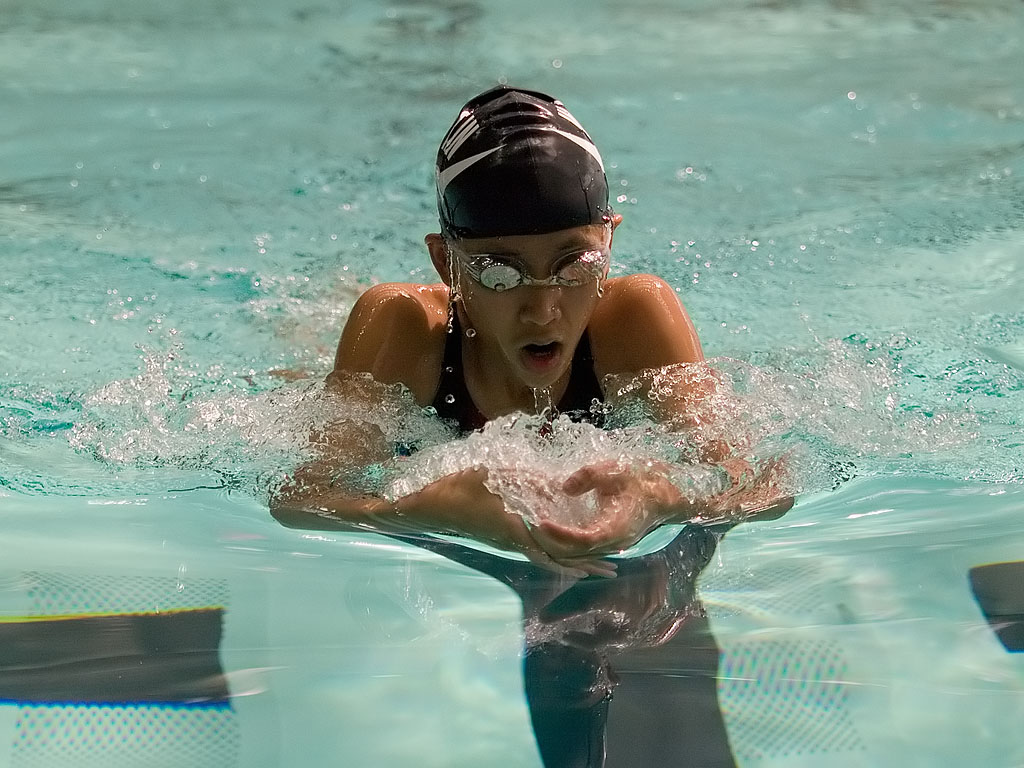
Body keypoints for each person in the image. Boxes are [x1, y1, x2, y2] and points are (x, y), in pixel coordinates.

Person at [271, 85, 790, 577]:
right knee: (306, 354)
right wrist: (428, 508)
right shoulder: (407, 327)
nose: (543, 311)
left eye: (576, 265)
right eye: (500, 273)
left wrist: (661, 498)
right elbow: (300, 498)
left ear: (608, 244)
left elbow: (765, 486)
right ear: (446, 262)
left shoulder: (634, 319)